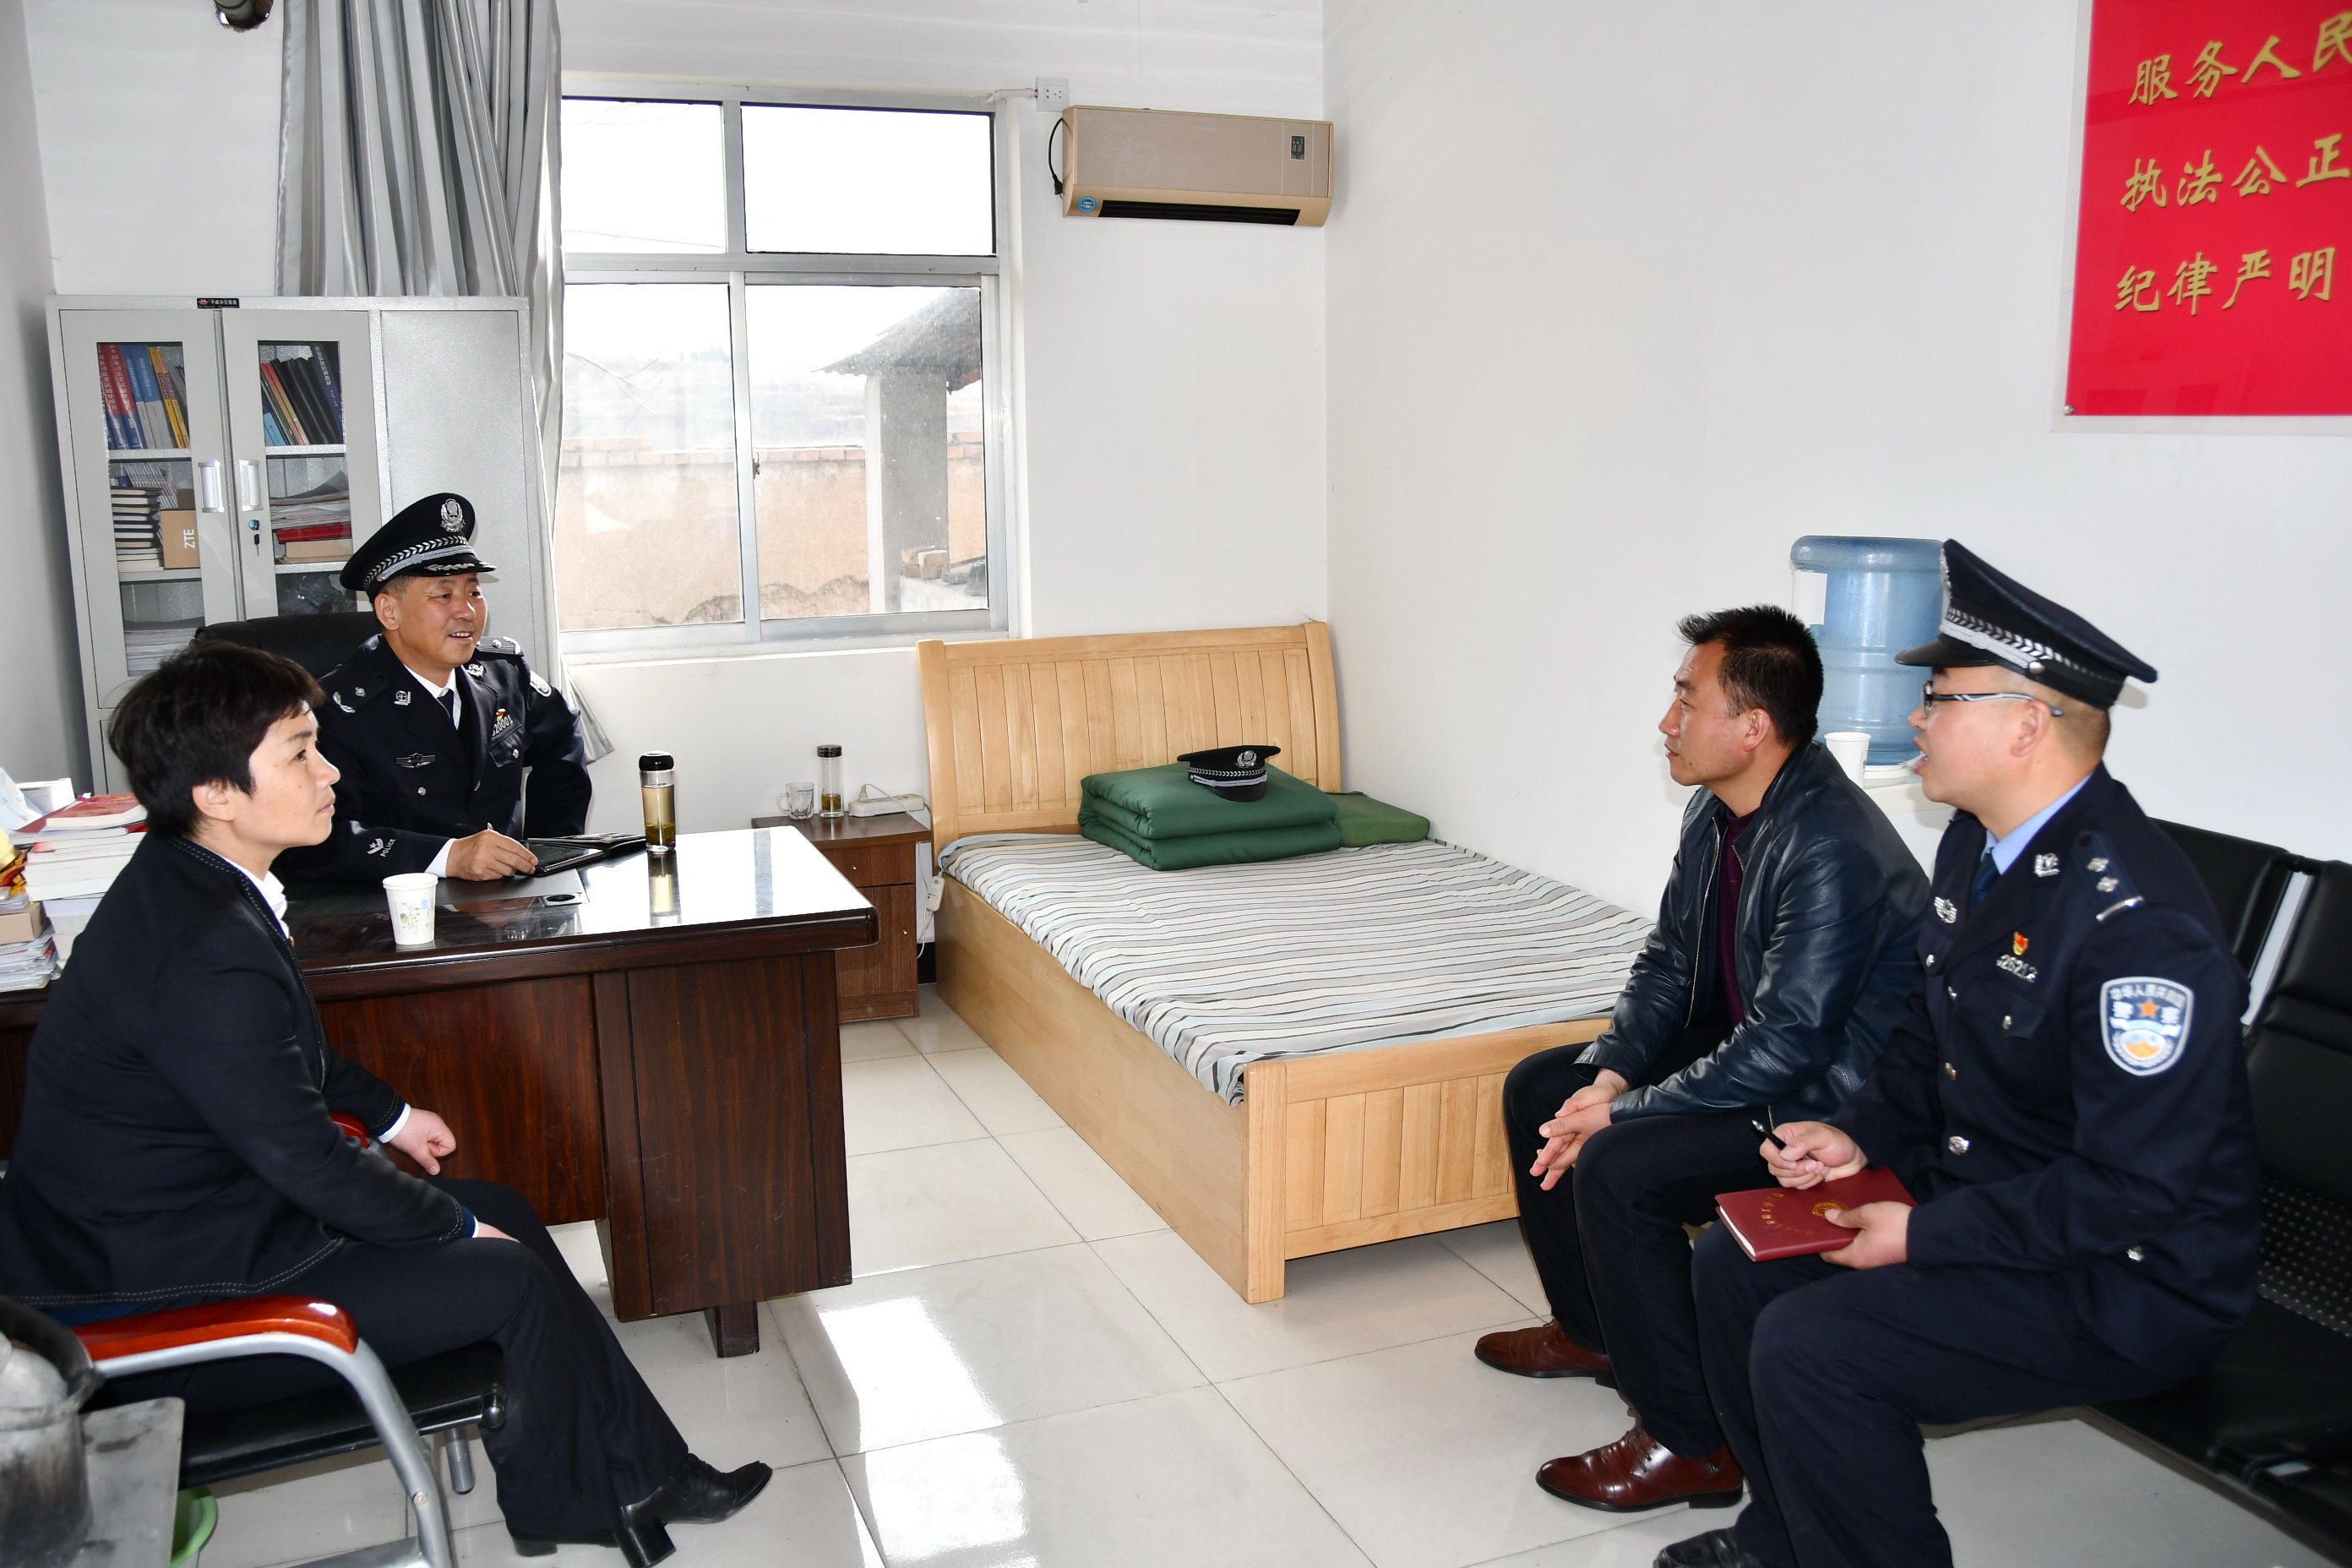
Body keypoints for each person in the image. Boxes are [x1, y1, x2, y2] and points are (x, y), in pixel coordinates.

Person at [0, 644, 759, 1567]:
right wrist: (448, 1226)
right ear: (216, 793)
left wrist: (395, 1117)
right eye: (300, 753)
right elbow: (306, 1159)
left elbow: (290, 1059)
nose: (330, 773)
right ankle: (572, 1496)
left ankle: (640, 1474)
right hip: (165, 1291)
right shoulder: (201, 948)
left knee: (508, 1210)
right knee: (506, 1269)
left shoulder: (193, 878)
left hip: (202, 1228)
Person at [1659, 542, 2260, 1568]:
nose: (1917, 718)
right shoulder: (1977, 842)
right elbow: (1923, 1039)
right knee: (1733, 1260)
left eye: (1943, 697)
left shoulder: (2138, 927)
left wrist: (1923, 1234)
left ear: (2029, 724)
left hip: (2123, 1274)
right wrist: (1854, 1134)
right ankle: (1788, 1535)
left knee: (1818, 1344)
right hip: (1996, 1201)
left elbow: (2135, 1189)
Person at [1478, 606, 1928, 1512]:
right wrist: (1610, 1074)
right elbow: (1670, 962)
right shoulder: (1716, 812)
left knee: (1622, 1166)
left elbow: (1791, 1045)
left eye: (1688, 700)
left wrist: (1624, 1113)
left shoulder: (1829, 843)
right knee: (1543, 1087)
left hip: (1831, 1100)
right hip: (1755, 1052)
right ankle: (1597, 1332)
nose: (1667, 721)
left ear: (1753, 727)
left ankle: (1692, 1439)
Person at [279, 491, 590, 884]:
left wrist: (547, 852)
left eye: (474, 592)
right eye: (444, 595)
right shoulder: (337, 711)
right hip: (398, 905)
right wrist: (447, 858)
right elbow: (314, 842)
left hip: (507, 900)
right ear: (389, 611)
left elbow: (562, 738)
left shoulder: (504, 674)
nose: (467, 611)